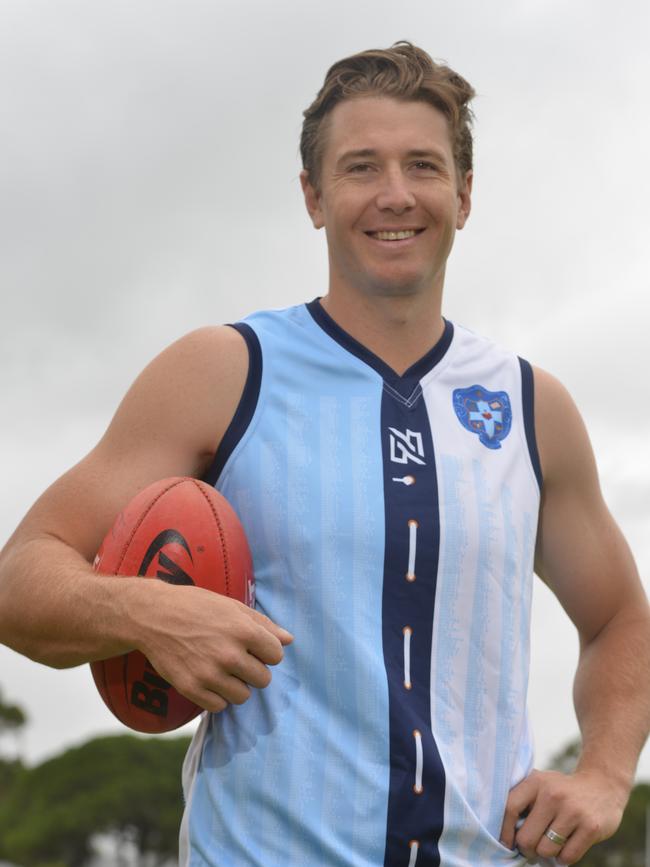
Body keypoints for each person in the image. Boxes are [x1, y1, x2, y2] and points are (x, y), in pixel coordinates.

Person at [0, 41, 648, 867]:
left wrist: (603, 772)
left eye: (423, 165)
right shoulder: (224, 372)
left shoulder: (530, 407)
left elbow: (621, 618)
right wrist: (146, 612)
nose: (395, 195)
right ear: (312, 195)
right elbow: (20, 576)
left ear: (465, 193)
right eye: (360, 168)